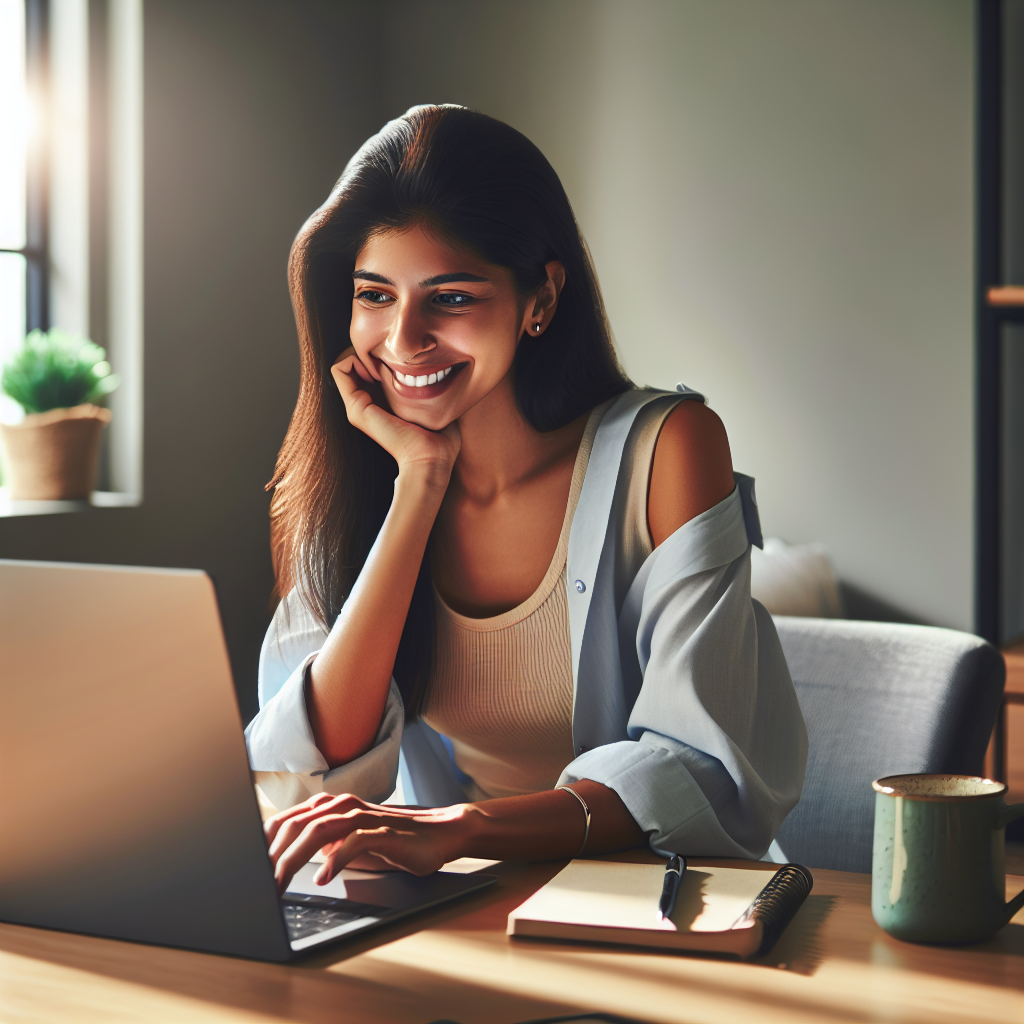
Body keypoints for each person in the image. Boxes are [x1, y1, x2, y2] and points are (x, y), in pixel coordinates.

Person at [245, 105, 807, 894]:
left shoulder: (671, 448)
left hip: (657, 908)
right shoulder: (352, 473)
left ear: (540, 298)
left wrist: (464, 829)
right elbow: (305, 770)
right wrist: (419, 487)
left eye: (451, 298)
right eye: (376, 296)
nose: (403, 340)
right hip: (452, 907)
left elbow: (695, 768)